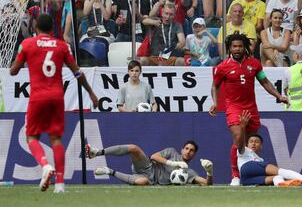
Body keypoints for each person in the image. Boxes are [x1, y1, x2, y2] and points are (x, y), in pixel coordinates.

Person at [9, 14, 99, 193]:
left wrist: (20, 59)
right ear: (52, 29)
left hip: (38, 97)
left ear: (35, 27)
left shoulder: (27, 44)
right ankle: (60, 184)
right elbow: (77, 73)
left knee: (32, 137)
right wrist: (91, 92)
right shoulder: (62, 46)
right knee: (56, 139)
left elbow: (13, 71)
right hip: (57, 97)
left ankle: (44, 165)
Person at [209, 32, 289, 186]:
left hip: (251, 107)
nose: (237, 49)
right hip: (233, 107)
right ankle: (235, 175)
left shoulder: (254, 64)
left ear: (244, 47)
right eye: (234, 46)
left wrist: (278, 96)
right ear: (229, 48)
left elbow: (265, 82)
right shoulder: (222, 67)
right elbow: (215, 86)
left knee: (249, 142)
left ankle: (248, 172)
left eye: (240, 46)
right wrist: (215, 102)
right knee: (238, 137)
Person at [237, 111, 302, 186]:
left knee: (275, 177)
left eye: (256, 142)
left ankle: (282, 183)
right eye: (251, 142)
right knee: (280, 171)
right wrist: (242, 127)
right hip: (247, 167)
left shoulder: (260, 160)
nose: (253, 144)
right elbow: (240, 143)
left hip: (246, 180)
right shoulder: (244, 151)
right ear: (247, 145)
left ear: (261, 146)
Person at [85, 140, 213, 185]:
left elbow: (207, 184)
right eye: (186, 148)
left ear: (194, 154)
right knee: (134, 148)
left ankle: (109, 171)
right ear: (182, 149)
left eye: (191, 151)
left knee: (143, 182)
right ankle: (96, 152)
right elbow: (154, 156)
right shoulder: (171, 152)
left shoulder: (189, 172)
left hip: (150, 180)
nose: (188, 152)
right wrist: (173, 164)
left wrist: (209, 172)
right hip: (148, 167)